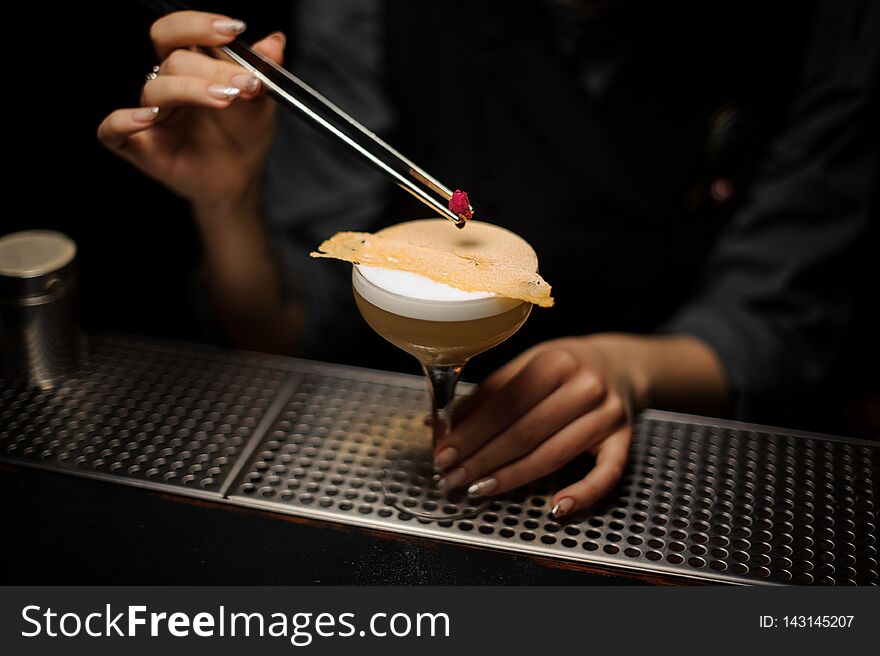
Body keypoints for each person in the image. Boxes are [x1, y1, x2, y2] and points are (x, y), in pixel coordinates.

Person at [98, 1, 878, 518]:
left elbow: (776, 321)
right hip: (382, 427)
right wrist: (226, 202)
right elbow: (285, 327)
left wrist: (631, 370)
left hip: (675, 454)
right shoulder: (367, 12)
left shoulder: (824, 26)